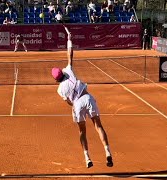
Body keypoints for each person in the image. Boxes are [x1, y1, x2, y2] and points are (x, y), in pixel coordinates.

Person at [51, 25, 113, 168]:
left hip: (77, 104)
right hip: (88, 98)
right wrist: (69, 39)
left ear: (56, 80)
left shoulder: (59, 89)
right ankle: (108, 152)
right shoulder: (68, 71)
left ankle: (87, 157)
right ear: (61, 73)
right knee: (98, 125)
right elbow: (70, 54)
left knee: (82, 131)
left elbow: (68, 102)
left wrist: (74, 107)